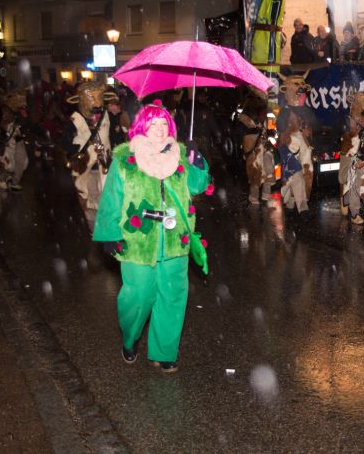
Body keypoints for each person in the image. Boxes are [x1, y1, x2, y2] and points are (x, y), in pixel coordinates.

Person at [93, 101, 211, 373]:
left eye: (163, 124)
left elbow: (198, 185)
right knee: (138, 297)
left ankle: (164, 352)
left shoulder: (180, 155)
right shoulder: (126, 159)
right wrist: (110, 234)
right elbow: (111, 198)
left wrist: (198, 162)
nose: (159, 129)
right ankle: (130, 337)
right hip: (137, 242)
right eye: (153, 124)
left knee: (172, 298)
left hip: (175, 241)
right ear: (141, 127)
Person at [59, 82, 116, 231]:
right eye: (91, 98)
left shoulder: (106, 116)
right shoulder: (75, 120)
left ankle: (105, 225)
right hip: (84, 165)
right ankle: (93, 227)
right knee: (87, 194)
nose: (96, 102)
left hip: (104, 162)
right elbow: (64, 143)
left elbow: (113, 136)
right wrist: (80, 148)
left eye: (99, 97)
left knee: (106, 193)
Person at [339, 88, 364, 225]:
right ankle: (355, 213)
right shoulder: (348, 120)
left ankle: (346, 200)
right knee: (354, 183)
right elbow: (346, 138)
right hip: (353, 156)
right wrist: (359, 129)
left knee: (362, 182)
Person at [238, 93, 274, 204]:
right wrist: (255, 129)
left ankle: (266, 194)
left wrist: (269, 132)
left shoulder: (265, 113)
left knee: (268, 169)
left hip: (264, 147)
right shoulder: (246, 115)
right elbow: (241, 131)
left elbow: (267, 129)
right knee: (255, 173)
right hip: (252, 149)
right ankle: (253, 196)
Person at [276, 107, 311, 219]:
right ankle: (303, 209)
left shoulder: (296, 130)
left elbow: (305, 149)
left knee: (293, 180)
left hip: (294, 160)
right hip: (291, 161)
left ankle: (290, 204)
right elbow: (294, 147)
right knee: (297, 178)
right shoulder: (287, 133)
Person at [0, 90, 30, 191]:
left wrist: (21, 111)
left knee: (22, 159)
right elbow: (2, 124)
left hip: (16, 138)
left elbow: (25, 120)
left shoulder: (18, 112)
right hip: (6, 141)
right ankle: (4, 178)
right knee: (6, 160)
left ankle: (14, 182)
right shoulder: (3, 111)